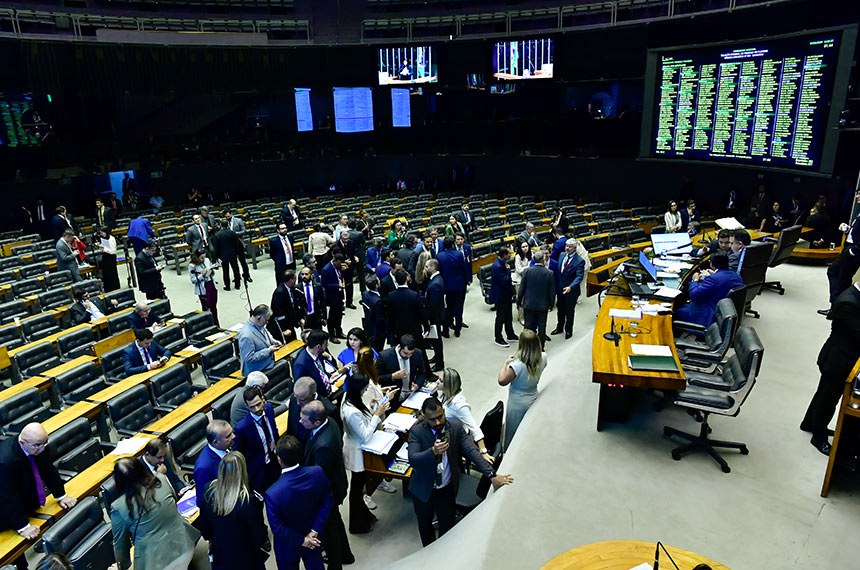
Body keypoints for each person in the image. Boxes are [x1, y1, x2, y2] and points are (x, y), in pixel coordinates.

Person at [407, 397, 512, 547]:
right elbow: (413, 459)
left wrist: (491, 475)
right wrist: (432, 452)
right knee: (425, 527)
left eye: (440, 417)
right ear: (424, 416)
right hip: (423, 491)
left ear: (443, 411)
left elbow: (471, 450)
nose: (437, 423)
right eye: (432, 420)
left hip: (446, 490)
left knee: (447, 528)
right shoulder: (416, 432)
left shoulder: (455, 428)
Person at [0, 423, 76, 570]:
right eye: (38, 445)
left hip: (25, 497)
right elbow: (7, 497)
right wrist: (23, 526)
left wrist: (61, 496)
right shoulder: (3, 461)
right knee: (15, 555)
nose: (42, 448)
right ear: (23, 442)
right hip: (5, 511)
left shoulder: (37, 446)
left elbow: (48, 469)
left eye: (45, 443)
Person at [109, 457, 201, 570]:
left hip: (155, 563)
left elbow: (120, 547)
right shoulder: (161, 479)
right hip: (185, 544)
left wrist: (123, 566)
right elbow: (174, 503)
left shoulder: (119, 507)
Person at [802, 280, 860, 455]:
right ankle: (818, 436)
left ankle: (809, 423)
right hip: (837, 360)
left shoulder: (854, 296)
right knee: (829, 399)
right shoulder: (848, 302)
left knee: (824, 393)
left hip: (840, 357)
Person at [300, 401, 354, 569]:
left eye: (304, 420)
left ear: (316, 422)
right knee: (335, 523)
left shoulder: (323, 445)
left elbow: (318, 477)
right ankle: (346, 554)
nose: (300, 422)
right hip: (337, 483)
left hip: (328, 493)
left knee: (329, 532)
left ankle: (335, 563)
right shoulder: (329, 421)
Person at [266, 435, 332, 570]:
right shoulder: (318, 472)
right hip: (314, 537)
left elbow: (277, 528)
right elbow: (327, 503)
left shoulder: (273, 493)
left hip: (287, 544)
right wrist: (314, 531)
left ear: (279, 460)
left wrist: (303, 541)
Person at [198, 451, 268, 570]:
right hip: (247, 557)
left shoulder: (208, 491)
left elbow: (204, 526)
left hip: (220, 553)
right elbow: (258, 535)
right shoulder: (247, 501)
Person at [341, 373, 389, 534]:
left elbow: (362, 418)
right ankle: (357, 524)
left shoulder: (350, 400)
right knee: (357, 489)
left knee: (359, 487)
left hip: (358, 446)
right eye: (365, 388)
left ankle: (364, 516)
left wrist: (371, 408)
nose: (367, 390)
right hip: (357, 452)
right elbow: (365, 434)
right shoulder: (351, 411)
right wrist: (376, 415)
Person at [499, 329, 547, 450]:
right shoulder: (543, 358)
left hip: (517, 403)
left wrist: (505, 364)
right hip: (533, 397)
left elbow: (502, 381)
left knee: (512, 432)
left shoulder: (517, 366)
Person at [673, 250, 744, 328]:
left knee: (674, 310)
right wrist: (714, 274)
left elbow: (693, 294)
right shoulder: (737, 276)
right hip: (721, 314)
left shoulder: (713, 279)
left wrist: (695, 280)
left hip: (707, 316)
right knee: (683, 305)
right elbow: (723, 281)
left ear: (711, 263)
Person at [439, 368, 493, 463]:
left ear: (448, 385)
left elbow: (474, 427)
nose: (436, 382)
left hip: (454, 438)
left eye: (441, 381)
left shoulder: (459, 405)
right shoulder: (446, 394)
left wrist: (483, 451)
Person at [820, 189, 860, 315]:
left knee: (839, 276)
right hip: (850, 248)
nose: (857, 196)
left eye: (859, 193)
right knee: (837, 274)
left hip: (853, 251)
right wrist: (848, 229)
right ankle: (836, 306)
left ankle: (837, 308)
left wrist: (854, 250)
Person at [235, 386, 281, 493]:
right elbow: (239, 454)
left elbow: (274, 429)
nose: (257, 409)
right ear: (246, 406)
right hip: (258, 472)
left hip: (275, 463)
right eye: (252, 407)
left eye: (258, 404)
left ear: (263, 399)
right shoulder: (242, 428)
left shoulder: (269, 409)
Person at [517, 250, 555, 345]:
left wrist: (518, 302)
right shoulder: (549, 273)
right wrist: (551, 304)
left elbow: (522, 289)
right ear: (544, 260)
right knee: (542, 327)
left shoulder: (527, 271)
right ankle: (541, 347)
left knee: (528, 326)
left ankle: (527, 345)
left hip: (529, 304)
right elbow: (551, 292)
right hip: (543, 305)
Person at [287, 376, 341, 443]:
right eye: (296, 397)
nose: (298, 402)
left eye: (301, 400)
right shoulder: (294, 399)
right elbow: (291, 425)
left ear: (312, 394)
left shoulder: (330, 410)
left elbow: (335, 438)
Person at [194, 420, 235, 507]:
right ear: (215, 442)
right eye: (228, 436)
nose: (233, 436)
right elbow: (203, 500)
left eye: (232, 433)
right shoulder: (204, 467)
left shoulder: (226, 446)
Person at [376, 334, 429, 403]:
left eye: (411, 353)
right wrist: (392, 376)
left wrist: (417, 385)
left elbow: (422, 372)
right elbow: (376, 378)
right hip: (393, 398)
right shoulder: (384, 356)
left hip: (411, 395)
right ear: (399, 347)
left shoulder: (417, 353)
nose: (408, 356)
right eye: (405, 353)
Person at [551, 238, 585, 339]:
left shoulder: (579, 261)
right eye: (566, 246)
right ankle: (559, 327)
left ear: (574, 248)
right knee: (560, 310)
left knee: (569, 311)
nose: (567, 248)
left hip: (571, 291)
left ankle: (568, 330)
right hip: (561, 289)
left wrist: (571, 286)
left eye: (570, 247)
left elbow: (579, 276)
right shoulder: (561, 255)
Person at [436, 236, 470, 337]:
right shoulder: (459, 254)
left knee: (448, 308)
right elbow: (464, 269)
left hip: (447, 286)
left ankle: (446, 331)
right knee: (459, 307)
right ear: (452, 244)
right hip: (460, 285)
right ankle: (457, 330)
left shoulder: (439, 256)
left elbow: (440, 271)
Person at [292, 329, 337, 398]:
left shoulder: (318, 353)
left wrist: (329, 377)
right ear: (318, 346)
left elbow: (321, 372)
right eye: (325, 344)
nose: (327, 345)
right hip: (316, 398)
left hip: (328, 387)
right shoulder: (301, 364)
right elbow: (302, 390)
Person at [238, 304, 281, 375]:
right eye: (266, 320)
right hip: (256, 371)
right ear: (259, 318)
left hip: (267, 364)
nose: (267, 322)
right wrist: (268, 351)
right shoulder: (246, 336)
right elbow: (249, 358)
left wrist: (273, 341)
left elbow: (264, 332)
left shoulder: (258, 324)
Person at [490, 246, 518, 348]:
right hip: (501, 295)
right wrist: (508, 270)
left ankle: (510, 334)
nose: (510, 255)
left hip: (506, 295)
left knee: (508, 316)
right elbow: (505, 280)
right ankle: (498, 338)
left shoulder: (502, 264)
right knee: (501, 317)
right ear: (504, 255)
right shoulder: (498, 266)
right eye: (509, 254)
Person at [423, 259, 446, 371]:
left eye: (426, 267)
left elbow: (432, 305)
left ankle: (439, 363)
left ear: (432, 268)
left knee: (437, 341)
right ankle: (436, 357)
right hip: (437, 315)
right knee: (435, 340)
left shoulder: (434, 284)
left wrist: (427, 319)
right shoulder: (437, 279)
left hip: (435, 317)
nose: (425, 269)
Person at [212, 223, 248, 291]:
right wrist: (237, 252)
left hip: (223, 255)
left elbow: (216, 248)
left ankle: (227, 286)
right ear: (227, 225)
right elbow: (237, 244)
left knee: (225, 271)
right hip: (233, 254)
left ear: (221, 226)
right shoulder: (232, 233)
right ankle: (238, 285)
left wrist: (216, 257)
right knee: (236, 269)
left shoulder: (217, 235)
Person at [268, 269, 302, 342]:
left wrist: (298, 320)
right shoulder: (279, 293)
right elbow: (279, 313)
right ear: (291, 280)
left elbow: (294, 306)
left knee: (293, 341)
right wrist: (284, 329)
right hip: (281, 326)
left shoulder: (291, 289)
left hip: (289, 321)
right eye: (295, 279)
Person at [189, 249, 220, 327]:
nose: (203, 259)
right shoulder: (192, 265)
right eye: (201, 258)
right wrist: (202, 275)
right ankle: (208, 326)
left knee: (214, 307)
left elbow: (211, 273)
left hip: (211, 284)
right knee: (206, 308)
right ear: (197, 257)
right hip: (203, 287)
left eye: (204, 257)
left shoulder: (207, 260)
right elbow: (193, 280)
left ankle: (216, 325)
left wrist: (213, 268)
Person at [321, 254, 348, 341]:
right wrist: (337, 285)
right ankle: (332, 335)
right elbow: (325, 284)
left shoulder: (339, 266)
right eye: (339, 263)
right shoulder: (326, 269)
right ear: (334, 260)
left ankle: (339, 332)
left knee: (339, 315)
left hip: (339, 294)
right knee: (332, 317)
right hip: (331, 296)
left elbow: (340, 276)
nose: (340, 265)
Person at [361, 275, 387, 352]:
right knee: (378, 349)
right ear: (376, 285)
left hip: (368, 325)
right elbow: (380, 319)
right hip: (377, 331)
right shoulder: (378, 301)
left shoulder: (365, 294)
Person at [269, 222, 297, 287]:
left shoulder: (290, 237)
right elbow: (272, 254)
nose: (285, 230)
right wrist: (278, 261)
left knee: (292, 283)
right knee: (281, 285)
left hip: (291, 265)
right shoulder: (274, 241)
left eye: (285, 228)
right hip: (281, 267)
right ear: (278, 230)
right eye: (282, 228)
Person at [299, 265, 326, 330]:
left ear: (311, 275)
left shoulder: (318, 286)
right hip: (305, 317)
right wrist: (299, 319)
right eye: (302, 274)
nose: (304, 276)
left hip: (316, 315)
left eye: (306, 274)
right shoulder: (297, 288)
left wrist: (324, 317)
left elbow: (323, 302)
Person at [96, 226, 120, 291]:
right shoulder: (104, 238)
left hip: (111, 258)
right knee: (106, 273)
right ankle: (108, 288)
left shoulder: (111, 239)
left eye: (102, 233)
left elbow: (112, 251)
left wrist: (103, 247)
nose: (101, 234)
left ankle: (114, 287)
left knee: (112, 273)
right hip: (105, 257)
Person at [513, 240, 532, 324]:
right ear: (520, 248)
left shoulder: (531, 254)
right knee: (521, 300)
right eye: (523, 247)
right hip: (519, 280)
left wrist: (527, 268)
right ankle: (521, 318)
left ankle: (526, 315)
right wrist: (528, 267)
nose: (525, 248)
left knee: (527, 299)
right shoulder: (517, 256)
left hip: (528, 280)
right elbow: (519, 270)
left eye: (526, 246)